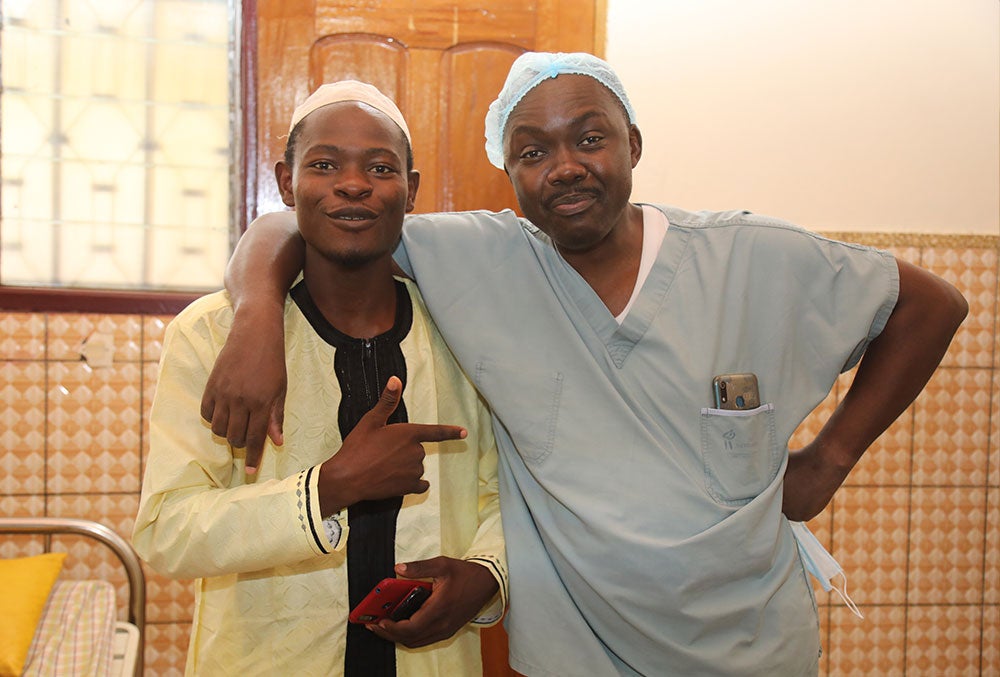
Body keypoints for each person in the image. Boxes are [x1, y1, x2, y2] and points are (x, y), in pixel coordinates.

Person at [201, 53, 968, 676]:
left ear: (632, 145)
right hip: (578, 655)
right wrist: (257, 312)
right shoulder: (486, 259)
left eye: (589, 138)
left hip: (749, 649)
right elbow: (301, 221)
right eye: (532, 151)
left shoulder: (750, 256)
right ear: (510, 174)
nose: (563, 167)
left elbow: (931, 303)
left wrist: (831, 456)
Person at [133, 81, 507, 677]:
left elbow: (504, 494)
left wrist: (489, 574)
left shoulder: (461, 330)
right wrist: (326, 489)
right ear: (287, 183)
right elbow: (167, 531)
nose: (353, 183)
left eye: (380, 167)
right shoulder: (212, 335)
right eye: (325, 163)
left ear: (409, 191)